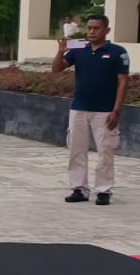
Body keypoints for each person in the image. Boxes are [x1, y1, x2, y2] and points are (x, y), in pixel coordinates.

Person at [52, 13, 129, 206]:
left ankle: (103, 190)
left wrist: (116, 110)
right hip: (79, 108)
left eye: (96, 28)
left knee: (105, 151)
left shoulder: (117, 52)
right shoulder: (79, 47)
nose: (91, 31)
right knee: (76, 150)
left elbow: (123, 82)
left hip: (105, 111)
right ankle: (79, 189)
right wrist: (60, 52)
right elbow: (57, 69)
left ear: (107, 30)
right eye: (89, 28)